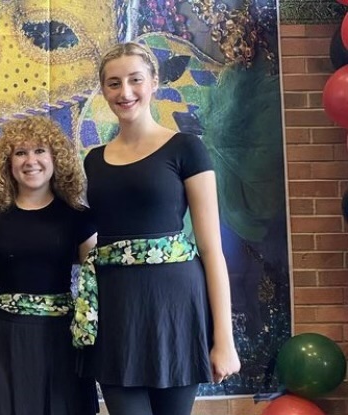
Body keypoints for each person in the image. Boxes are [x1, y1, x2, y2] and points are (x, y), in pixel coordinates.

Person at [73, 41, 241, 415]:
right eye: (114, 83)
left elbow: (212, 249)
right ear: (103, 89)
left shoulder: (186, 148)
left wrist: (223, 339)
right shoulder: (94, 160)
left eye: (135, 80)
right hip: (116, 308)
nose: (125, 92)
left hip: (176, 305)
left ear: (153, 82)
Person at [0, 116, 99, 415]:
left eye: (39, 151)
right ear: (9, 163)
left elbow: (98, 277)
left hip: (61, 337)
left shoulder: (78, 217)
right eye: (20, 153)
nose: (30, 160)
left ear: (55, 158)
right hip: (5, 337)